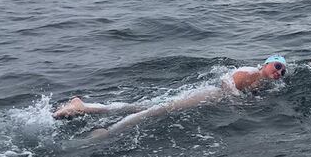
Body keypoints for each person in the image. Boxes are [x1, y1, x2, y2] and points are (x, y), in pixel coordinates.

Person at [53, 55, 287, 140]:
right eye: (277, 65)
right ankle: (108, 132)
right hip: (209, 95)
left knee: (140, 106)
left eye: (282, 71)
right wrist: (235, 97)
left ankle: (84, 107)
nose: (279, 72)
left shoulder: (265, 80)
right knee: (156, 111)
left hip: (211, 98)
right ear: (266, 63)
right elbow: (227, 79)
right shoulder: (253, 72)